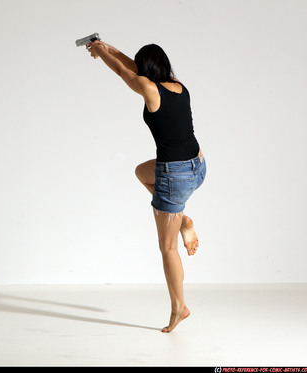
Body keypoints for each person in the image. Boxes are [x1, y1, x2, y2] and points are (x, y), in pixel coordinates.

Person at [87, 40, 206, 333]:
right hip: (199, 166)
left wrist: (101, 53)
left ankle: (180, 306)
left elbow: (122, 72)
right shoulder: (178, 86)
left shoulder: (150, 90)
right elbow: (130, 65)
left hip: (174, 175)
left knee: (167, 249)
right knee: (141, 172)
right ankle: (181, 218)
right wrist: (106, 45)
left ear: (146, 69)